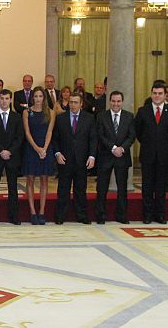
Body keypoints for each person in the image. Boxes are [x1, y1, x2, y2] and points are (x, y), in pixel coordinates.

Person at [134, 82, 168, 224]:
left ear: (165, 95)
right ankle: (147, 214)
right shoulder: (143, 111)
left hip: (165, 156)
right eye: (155, 93)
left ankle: (160, 214)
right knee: (147, 186)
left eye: (160, 93)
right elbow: (139, 132)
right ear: (151, 93)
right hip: (148, 154)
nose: (157, 96)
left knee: (161, 186)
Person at [53, 92, 96, 224]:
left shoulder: (89, 118)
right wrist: (57, 153)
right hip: (65, 159)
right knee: (63, 189)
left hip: (82, 160)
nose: (72, 105)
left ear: (81, 104)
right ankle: (60, 216)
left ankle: (82, 216)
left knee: (80, 189)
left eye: (75, 102)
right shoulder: (60, 118)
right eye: (71, 102)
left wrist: (92, 156)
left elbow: (93, 139)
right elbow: (55, 138)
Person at [95, 90, 135, 224]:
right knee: (101, 188)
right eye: (113, 101)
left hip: (122, 157)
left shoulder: (129, 116)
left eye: (118, 101)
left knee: (122, 188)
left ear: (122, 102)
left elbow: (131, 136)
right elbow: (100, 135)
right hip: (106, 156)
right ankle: (100, 215)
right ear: (109, 101)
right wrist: (113, 148)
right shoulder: (102, 116)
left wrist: (122, 149)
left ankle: (122, 215)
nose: (115, 104)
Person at [0, 88, 23, 225]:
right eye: (2, 98)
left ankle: (14, 216)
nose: (4, 101)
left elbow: (20, 137)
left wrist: (9, 151)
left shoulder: (17, 117)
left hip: (12, 157)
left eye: (7, 98)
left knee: (13, 187)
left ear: (11, 100)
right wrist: (1, 150)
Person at [21, 87, 54, 225]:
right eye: (36, 96)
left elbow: (50, 132)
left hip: (45, 148)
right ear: (32, 98)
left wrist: (44, 149)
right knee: (30, 179)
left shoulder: (51, 112)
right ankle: (33, 212)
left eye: (41, 96)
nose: (38, 99)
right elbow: (27, 133)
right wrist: (36, 148)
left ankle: (41, 212)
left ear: (44, 98)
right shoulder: (27, 112)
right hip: (31, 148)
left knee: (44, 180)